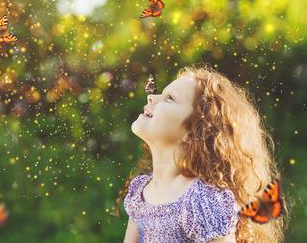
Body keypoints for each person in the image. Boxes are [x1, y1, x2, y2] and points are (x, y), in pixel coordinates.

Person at [111, 64, 287, 242]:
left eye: (170, 98)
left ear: (194, 132)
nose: (151, 97)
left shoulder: (202, 200)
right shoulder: (140, 191)